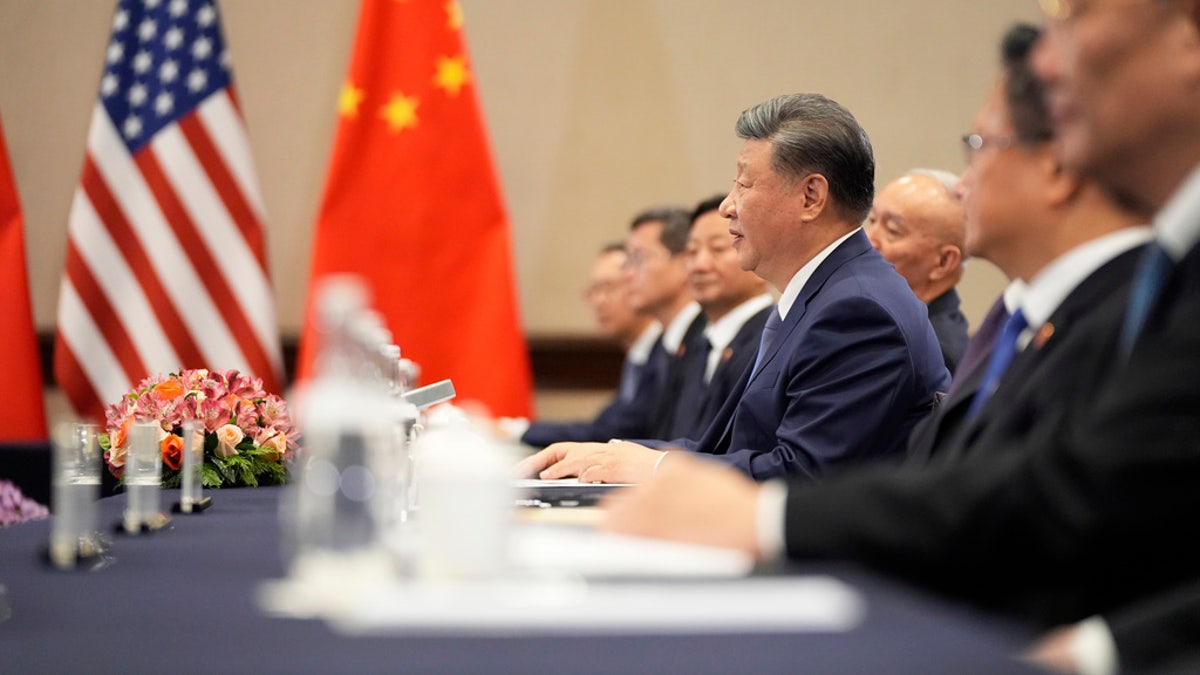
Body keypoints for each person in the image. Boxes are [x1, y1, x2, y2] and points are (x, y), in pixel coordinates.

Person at [603, 2, 1200, 632]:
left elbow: (1061, 501)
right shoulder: (1027, 312)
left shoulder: (863, 307)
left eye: (978, 148)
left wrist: (741, 509)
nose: (962, 186)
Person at [517, 93, 949, 483]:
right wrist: (614, 455)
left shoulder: (857, 310)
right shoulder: (822, 295)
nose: (727, 205)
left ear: (812, 197)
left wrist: (656, 467)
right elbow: (726, 450)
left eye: (743, 183)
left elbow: (804, 474)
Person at [906, 23, 1150, 464]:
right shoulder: (1018, 321)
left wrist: (774, 514)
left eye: (978, 146)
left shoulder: (1129, 332)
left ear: (1056, 167)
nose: (961, 186)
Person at [514, 209, 701, 447]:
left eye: (638, 259)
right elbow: (610, 425)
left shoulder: (693, 342)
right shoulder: (667, 345)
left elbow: (617, 431)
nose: (630, 275)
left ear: (684, 261)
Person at [663, 195, 774, 440]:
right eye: (692, 252)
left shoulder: (772, 339)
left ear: (759, 257)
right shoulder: (694, 345)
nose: (699, 265)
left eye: (717, 249)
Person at [866, 169, 969, 373]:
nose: (869, 240)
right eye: (872, 220)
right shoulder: (887, 323)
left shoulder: (932, 353)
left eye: (893, 230)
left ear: (943, 262)